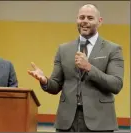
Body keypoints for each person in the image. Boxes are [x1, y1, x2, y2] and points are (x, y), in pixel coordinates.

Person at [28, 4, 124, 132]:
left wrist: (89, 67)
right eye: (81, 17)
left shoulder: (112, 49)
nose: (84, 21)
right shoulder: (64, 49)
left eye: (90, 18)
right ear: (76, 20)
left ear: (99, 21)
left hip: (100, 122)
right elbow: (55, 85)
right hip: (67, 122)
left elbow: (116, 84)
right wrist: (44, 81)